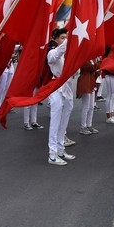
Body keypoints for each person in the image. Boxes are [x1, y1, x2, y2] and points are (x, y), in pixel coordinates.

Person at [46, 28, 77, 165]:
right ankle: (52, 154)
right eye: (62, 38)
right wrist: (72, 36)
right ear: (56, 39)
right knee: (55, 121)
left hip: (67, 87)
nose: (64, 40)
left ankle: (60, 149)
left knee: (64, 120)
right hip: (56, 87)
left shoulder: (68, 54)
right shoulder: (52, 53)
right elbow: (58, 53)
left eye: (66, 37)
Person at [78, 58, 100, 135]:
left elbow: (95, 70)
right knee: (86, 107)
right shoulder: (84, 59)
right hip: (85, 83)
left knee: (91, 107)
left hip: (91, 83)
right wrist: (99, 63)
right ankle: (83, 126)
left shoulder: (93, 60)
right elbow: (91, 68)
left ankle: (89, 125)